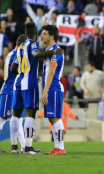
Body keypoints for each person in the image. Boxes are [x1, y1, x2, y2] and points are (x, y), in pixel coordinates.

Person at [10, 23, 63, 154]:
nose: (41, 36)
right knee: (31, 113)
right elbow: (35, 54)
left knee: (16, 114)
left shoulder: (20, 46)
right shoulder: (33, 44)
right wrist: (51, 52)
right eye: (41, 34)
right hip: (30, 84)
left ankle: (14, 146)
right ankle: (28, 146)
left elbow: (13, 68)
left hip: (19, 83)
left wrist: (24, 72)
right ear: (35, 33)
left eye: (44, 34)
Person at [0, 35, 28, 153]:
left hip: (14, 88)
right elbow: (13, 70)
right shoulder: (16, 54)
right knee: (2, 117)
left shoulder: (12, 53)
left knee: (18, 118)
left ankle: (24, 145)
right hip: (9, 89)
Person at [40, 25, 66, 155]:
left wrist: (45, 91)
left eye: (44, 33)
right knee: (52, 118)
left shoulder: (56, 52)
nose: (42, 35)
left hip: (53, 87)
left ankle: (60, 147)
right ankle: (57, 147)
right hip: (51, 87)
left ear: (51, 36)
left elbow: (51, 73)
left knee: (55, 118)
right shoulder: (49, 50)